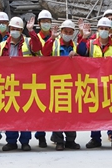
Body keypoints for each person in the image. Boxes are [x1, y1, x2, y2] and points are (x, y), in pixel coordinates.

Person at [80, 17, 112, 149]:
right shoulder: (91, 43)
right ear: (98, 30)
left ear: (110, 30)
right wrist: (83, 37)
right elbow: (81, 53)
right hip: (95, 84)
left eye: (106, 29)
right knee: (95, 111)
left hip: (111, 83)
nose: (104, 31)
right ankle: (95, 139)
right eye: (101, 29)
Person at [38, 19, 81, 151]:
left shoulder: (75, 46)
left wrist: (77, 54)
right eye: (65, 31)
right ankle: (59, 141)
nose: (67, 34)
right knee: (57, 113)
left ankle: (70, 140)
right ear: (61, 32)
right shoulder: (54, 43)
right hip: (56, 83)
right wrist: (51, 38)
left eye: (70, 32)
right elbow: (44, 53)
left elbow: (84, 60)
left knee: (71, 114)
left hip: (72, 84)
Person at [0, 16, 36, 151]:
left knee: (25, 113)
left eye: (18, 29)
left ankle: (25, 141)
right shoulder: (2, 46)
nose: (15, 31)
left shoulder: (29, 42)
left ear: (21, 30)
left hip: (25, 83)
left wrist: (31, 31)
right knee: (10, 113)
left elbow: (38, 48)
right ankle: (11, 141)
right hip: (8, 84)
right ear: (9, 29)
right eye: (13, 29)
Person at [32, 9, 54, 148]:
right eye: (43, 21)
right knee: (39, 108)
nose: (46, 23)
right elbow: (36, 50)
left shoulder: (56, 36)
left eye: (48, 21)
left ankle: (56, 134)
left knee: (55, 107)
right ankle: (41, 137)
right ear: (39, 23)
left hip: (55, 77)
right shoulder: (35, 38)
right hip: (38, 77)